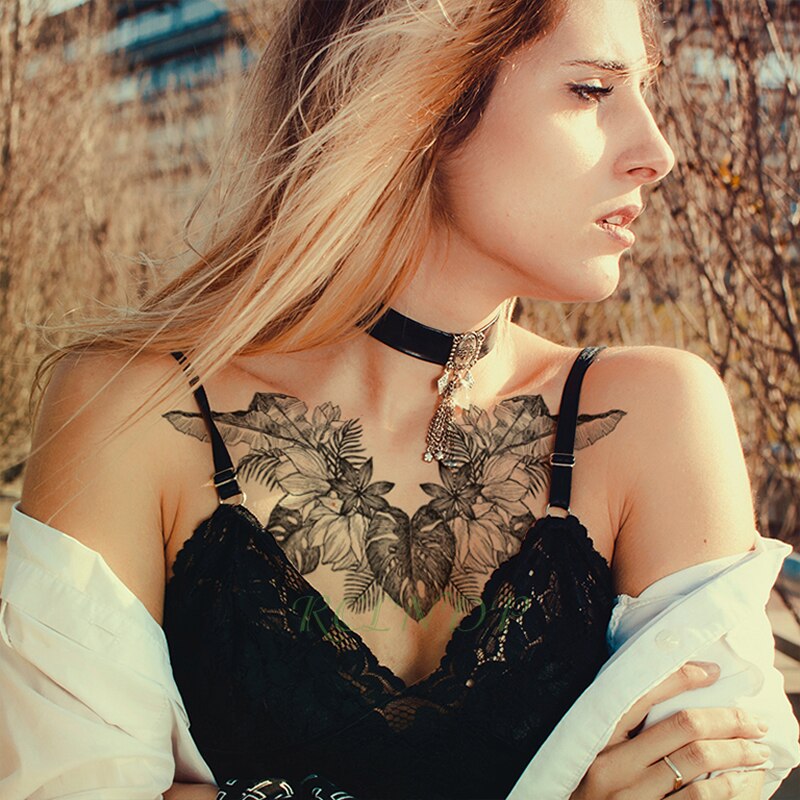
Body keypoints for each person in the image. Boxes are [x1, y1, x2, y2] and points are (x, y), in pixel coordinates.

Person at [0, 0, 798, 798]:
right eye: (591, 90)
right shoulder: (133, 408)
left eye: (644, 90)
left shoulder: (655, 417)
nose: (657, 152)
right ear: (422, 96)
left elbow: (727, 772)